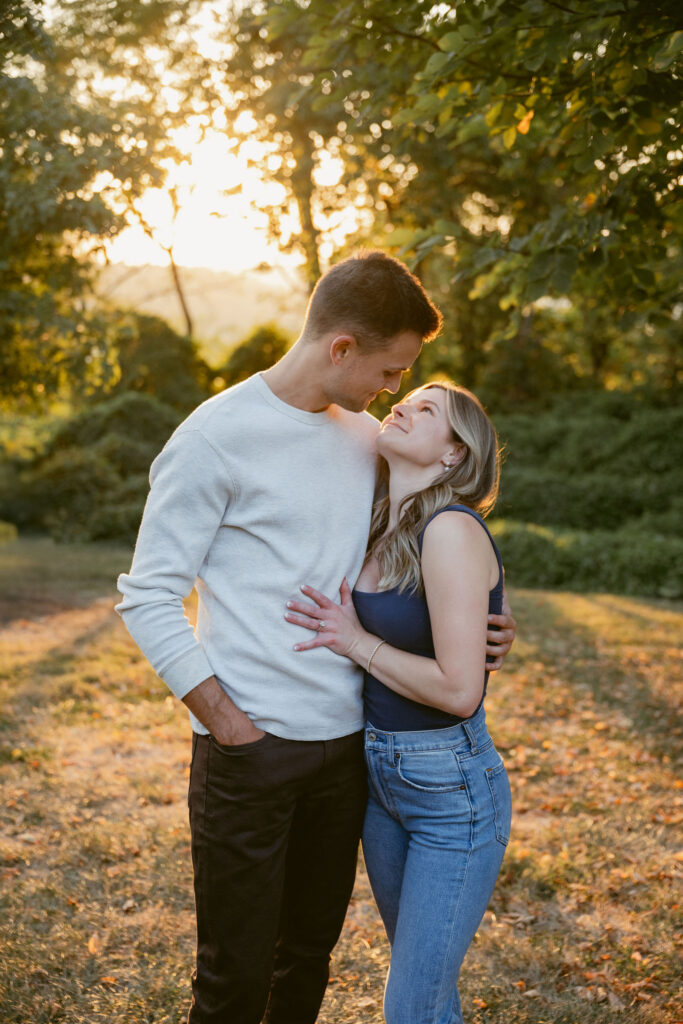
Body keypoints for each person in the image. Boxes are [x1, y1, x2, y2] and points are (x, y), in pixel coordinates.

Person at [116, 251, 517, 1024]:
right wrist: (229, 724)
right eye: (391, 370)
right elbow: (148, 595)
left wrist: (486, 622)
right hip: (249, 753)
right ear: (341, 349)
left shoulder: (367, 440)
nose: (394, 390)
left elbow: (431, 538)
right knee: (232, 982)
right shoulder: (213, 439)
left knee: (305, 965)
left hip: (350, 757)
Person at [284, 381, 511, 1024]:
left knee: (410, 1007)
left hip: (451, 791)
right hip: (380, 782)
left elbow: (461, 692)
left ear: (453, 457)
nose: (402, 405)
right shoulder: (380, 522)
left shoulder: (450, 529)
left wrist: (357, 643)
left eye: (427, 408)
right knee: (428, 993)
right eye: (404, 397)